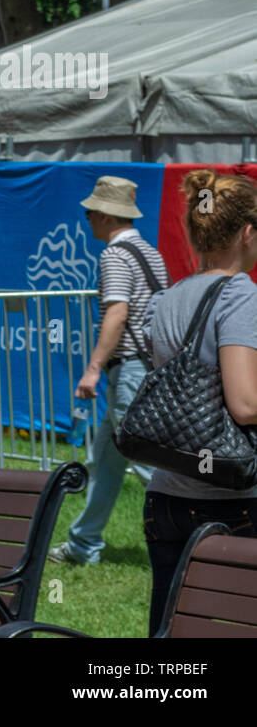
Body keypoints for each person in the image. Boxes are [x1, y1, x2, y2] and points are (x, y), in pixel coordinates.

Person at [138, 170, 257, 634]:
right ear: (248, 232)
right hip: (232, 498)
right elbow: (244, 404)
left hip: (166, 494)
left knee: (169, 627)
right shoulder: (242, 296)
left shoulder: (169, 298)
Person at [50, 176, 169, 567]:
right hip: (147, 368)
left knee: (148, 463)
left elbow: (117, 314)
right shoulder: (150, 253)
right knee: (107, 460)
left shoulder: (114, 256)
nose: (86, 220)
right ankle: (83, 544)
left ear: (104, 215)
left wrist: (92, 369)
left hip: (130, 370)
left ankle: (200, 532)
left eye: (89, 213)